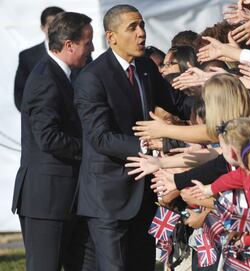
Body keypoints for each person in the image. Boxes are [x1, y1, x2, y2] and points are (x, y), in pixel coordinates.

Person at [74, 5, 192, 271]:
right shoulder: (92, 78)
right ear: (111, 37)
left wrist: (220, 100)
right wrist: (155, 146)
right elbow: (101, 138)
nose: (141, 34)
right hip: (108, 197)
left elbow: (178, 103)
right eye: (132, 28)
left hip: (144, 194)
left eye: (142, 26)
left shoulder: (145, 67)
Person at [11, 12, 95, 271]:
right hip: (46, 200)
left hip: (68, 196)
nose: (92, 47)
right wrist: (90, 151)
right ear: (69, 45)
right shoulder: (44, 78)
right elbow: (48, 138)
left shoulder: (66, 75)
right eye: (88, 41)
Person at [13, 6, 64, 112]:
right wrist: (33, 118)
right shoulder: (28, 56)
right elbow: (20, 93)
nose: (55, 30)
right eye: (51, 26)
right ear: (42, 27)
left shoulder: (79, 52)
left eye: (59, 26)